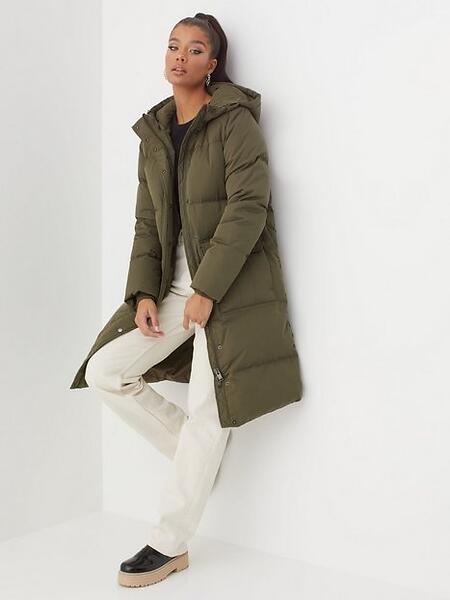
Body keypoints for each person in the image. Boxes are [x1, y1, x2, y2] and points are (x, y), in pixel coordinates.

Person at [72, 11, 303, 589]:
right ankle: (197, 454)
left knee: (208, 412)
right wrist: (143, 292)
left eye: (195, 49)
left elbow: (248, 207)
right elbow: (147, 221)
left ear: (212, 63)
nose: (180, 56)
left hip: (229, 291)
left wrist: (207, 290)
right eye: (173, 46)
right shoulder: (154, 132)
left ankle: (169, 544)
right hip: (174, 292)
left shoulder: (234, 122)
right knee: (105, 372)